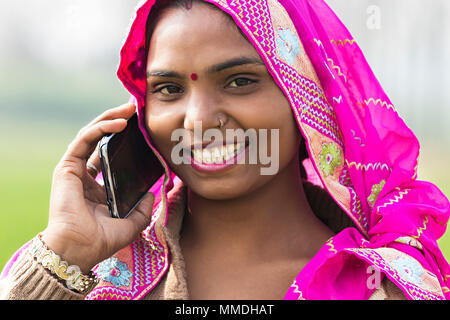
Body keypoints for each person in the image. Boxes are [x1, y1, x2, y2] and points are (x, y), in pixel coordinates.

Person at [1, 0, 449, 300]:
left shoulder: (385, 286)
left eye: (240, 81)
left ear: (309, 99)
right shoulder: (98, 276)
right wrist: (64, 254)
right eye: (169, 89)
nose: (197, 121)